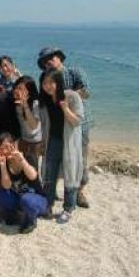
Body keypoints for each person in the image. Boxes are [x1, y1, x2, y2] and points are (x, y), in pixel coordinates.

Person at [37, 46, 92, 209]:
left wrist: (65, 95)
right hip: (57, 128)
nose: (48, 62)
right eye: (45, 62)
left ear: (60, 57)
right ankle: (52, 192)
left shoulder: (74, 72)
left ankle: (79, 191)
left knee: (78, 161)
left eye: (51, 58)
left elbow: (87, 92)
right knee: (53, 162)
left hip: (80, 125)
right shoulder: (46, 80)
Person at [39, 68, 84, 224]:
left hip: (69, 142)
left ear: (58, 82)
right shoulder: (44, 101)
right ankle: (48, 204)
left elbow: (78, 121)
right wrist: (42, 142)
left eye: (51, 82)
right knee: (49, 174)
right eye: (44, 83)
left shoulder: (72, 96)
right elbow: (43, 125)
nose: (48, 86)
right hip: (52, 141)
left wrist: (65, 109)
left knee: (70, 174)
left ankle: (68, 208)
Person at [0, 133, 47, 233]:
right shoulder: (2, 163)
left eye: (7, 147)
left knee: (27, 199)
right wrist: (3, 166)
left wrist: (22, 160)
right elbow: (7, 186)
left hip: (36, 198)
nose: (5, 151)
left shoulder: (28, 157)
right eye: (1, 149)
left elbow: (33, 176)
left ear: (15, 144)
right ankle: (15, 216)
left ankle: (31, 219)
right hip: (19, 198)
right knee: (1, 195)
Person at [13, 75, 42, 165]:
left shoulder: (36, 104)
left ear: (29, 91)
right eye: (16, 88)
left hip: (35, 143)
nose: (16, 91)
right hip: (23, 141)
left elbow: (33, 126)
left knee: (34, 168)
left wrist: (25, 105)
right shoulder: (15, 103)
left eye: (20, 89)